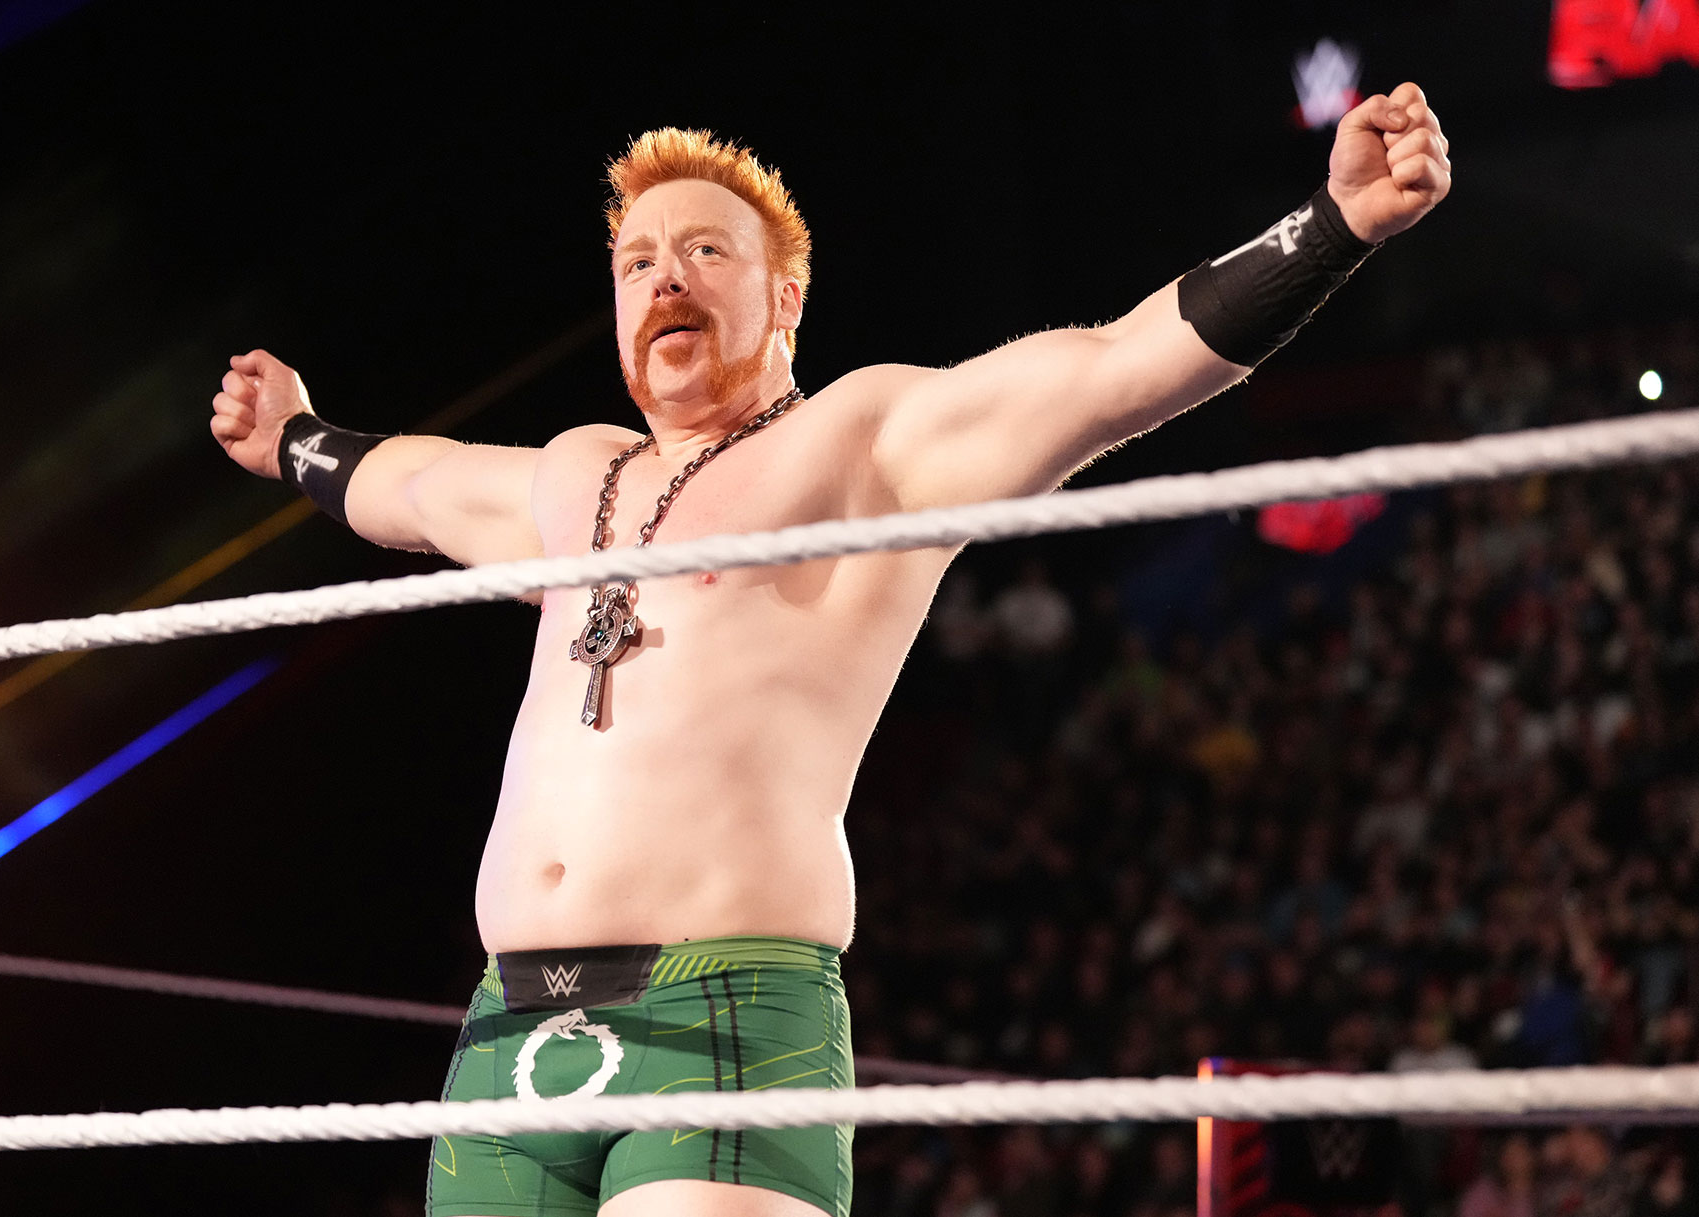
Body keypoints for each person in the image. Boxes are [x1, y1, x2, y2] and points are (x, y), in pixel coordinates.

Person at [209, 87, 1451, 1217]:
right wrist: (294, 437)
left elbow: (1107, 371)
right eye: (636, 260)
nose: (664, 280)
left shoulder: (860, 443)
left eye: (704, 251)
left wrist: (1329, 227)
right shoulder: (575, 476)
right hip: (505, 1024)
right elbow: (409, 487)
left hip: (725, 1006)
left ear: (784, 294)